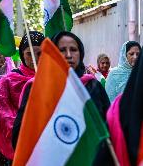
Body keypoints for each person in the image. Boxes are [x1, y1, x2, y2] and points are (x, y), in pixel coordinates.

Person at [12, 31, 112, 165]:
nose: (69, 55)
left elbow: (107, 126)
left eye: (73, 50)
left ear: (80, 53)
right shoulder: (36, 88)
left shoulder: (91, 86)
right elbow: (21, 134)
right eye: (62, 50)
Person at [0, 31, 45, 161]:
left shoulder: (54, 78)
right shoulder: (9, 80)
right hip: (18, 143)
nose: (35, 59)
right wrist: (22, 130)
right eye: (29, 54)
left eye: (40, 53)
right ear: (22, 54)